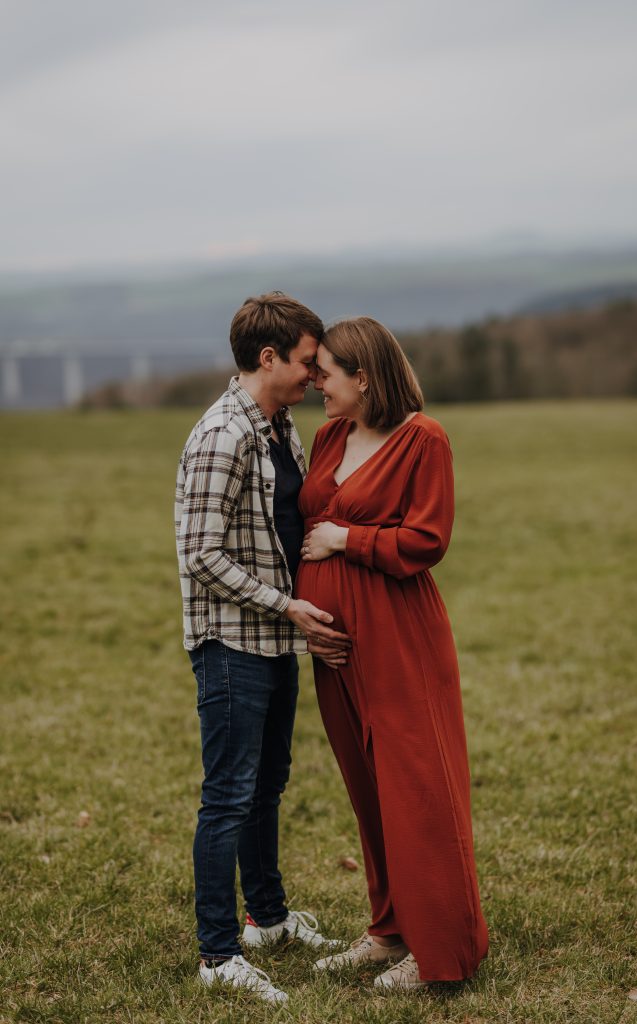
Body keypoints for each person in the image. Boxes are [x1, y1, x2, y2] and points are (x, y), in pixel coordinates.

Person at [296, 316, 489, 991]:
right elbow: (306, 523)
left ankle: (442, 950)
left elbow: (427, 539)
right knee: (367, 783)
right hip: (335, 645)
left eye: (325, 372)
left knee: (417, 786)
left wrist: (346, 541)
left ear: (364, 376)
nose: (315, 383)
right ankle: (388, 930)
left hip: (398, 634)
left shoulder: (422, 439)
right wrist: (303, 616)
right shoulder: (329, 436)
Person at [175, 292, 351, 1005]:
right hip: (231, 643)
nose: (315, 373)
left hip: (277, 639)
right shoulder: (223, 433)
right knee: (227, 797)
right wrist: (287, 606)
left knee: (266, 786)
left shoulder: (279, 427)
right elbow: (200, 554)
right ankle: (218, 955)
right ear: (269, 357)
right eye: (308, 361)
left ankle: (268, 921)